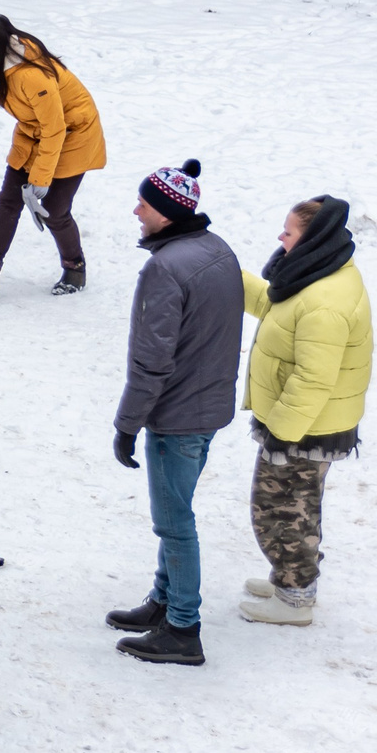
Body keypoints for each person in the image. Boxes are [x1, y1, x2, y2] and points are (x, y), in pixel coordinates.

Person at [104, 160, 243, 666]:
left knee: (175, 522)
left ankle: (183, 628)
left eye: (144, 203)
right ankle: (164, 602)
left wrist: (127, 424)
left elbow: (151, 359)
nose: (136, 210)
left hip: (178, 415)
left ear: (164, 212)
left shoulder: (165, 267)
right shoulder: (216, 250)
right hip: (207, 407)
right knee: (176, 509)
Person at [236, 196, 372, 627]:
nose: (280, 237)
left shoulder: (325, 301)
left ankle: (294, 598)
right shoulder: (318, 274)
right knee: (294, 505)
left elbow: (314, 378)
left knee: (281, 510)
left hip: (305, 430)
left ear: (312, 239)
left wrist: (282, 433)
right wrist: (226, 273)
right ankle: (289, 579)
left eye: (289, 232)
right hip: (310, 423)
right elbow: (280, 313)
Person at [0, 14, 106, 298]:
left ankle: (74, 268)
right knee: (8, 200)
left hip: (74, 135)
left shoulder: (30, 75)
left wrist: (40, 180)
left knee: (53, 208)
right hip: (33, 135)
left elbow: (55, 128)